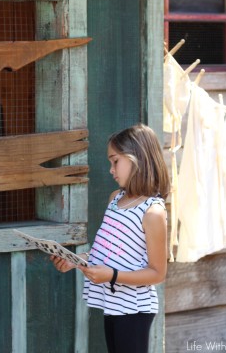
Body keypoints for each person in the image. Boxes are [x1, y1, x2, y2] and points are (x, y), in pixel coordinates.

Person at [51, 123, 169, 353]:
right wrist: (75, 260)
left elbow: (158, 273)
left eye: (115, 161)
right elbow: (105, 252)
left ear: (138, 159)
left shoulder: (152, 212)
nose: (111, 169)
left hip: (135, 310)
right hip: (113, 303)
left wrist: (112, 275)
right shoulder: (115, 199)